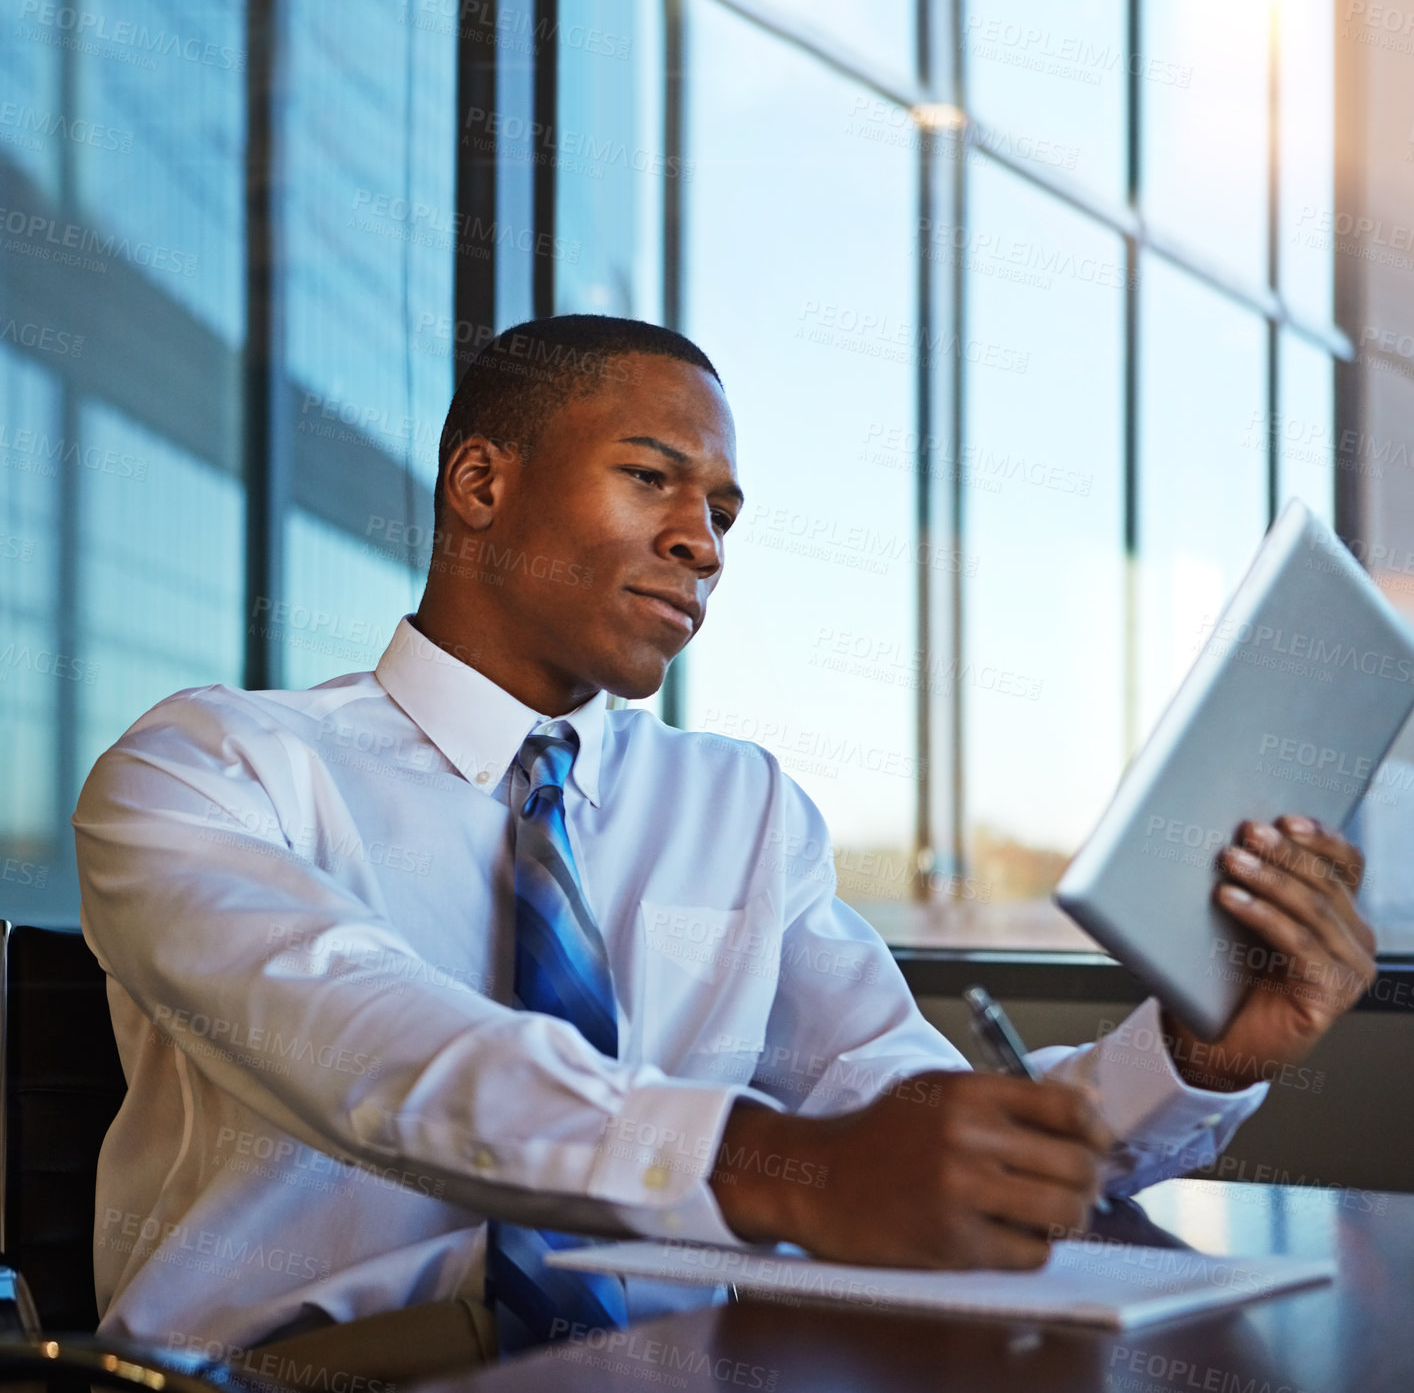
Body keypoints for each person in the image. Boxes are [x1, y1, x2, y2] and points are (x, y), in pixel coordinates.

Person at [72, 315, 1377, 1383]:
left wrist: (1192, 1053)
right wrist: (778, 1164)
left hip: (683, 1364)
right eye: (652, 477)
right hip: (310, 1376)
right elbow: (377, 1048)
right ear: (481, 482)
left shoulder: (741, 806)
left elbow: (905, 1115)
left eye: (723, 512)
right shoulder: (210, 768)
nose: (702, 540)